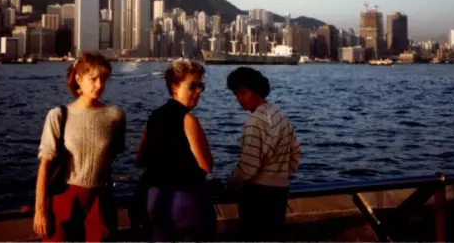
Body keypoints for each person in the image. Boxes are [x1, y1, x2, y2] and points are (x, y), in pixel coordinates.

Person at [33, 52, 126, 242]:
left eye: (103, 79)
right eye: (93, 79)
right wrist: (40, 211)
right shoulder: (58, 115)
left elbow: (112, 155)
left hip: (100, 200)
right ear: (78, 79)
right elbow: (45, 166)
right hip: (66, 198)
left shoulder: (115, 116)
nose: (99, 85)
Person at [136, 59, 216, 241]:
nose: (198, 92)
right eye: (192, 86)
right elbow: (206, 165)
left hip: (156, 200)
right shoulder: (188, 120)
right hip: (184, 201)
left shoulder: (154, 116)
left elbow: (141, 156)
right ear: (174, 86)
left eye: (200, 86)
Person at [226, 67, 301, 241]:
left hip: (256, 196)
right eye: (236, 94)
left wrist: (231, 182)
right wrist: (281, 175)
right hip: (280, 194)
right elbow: (295, 150)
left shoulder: (254, 122)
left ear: (257, 90)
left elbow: (248, 167)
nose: (239, 99)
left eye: (243, 92)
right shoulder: (279, 113)